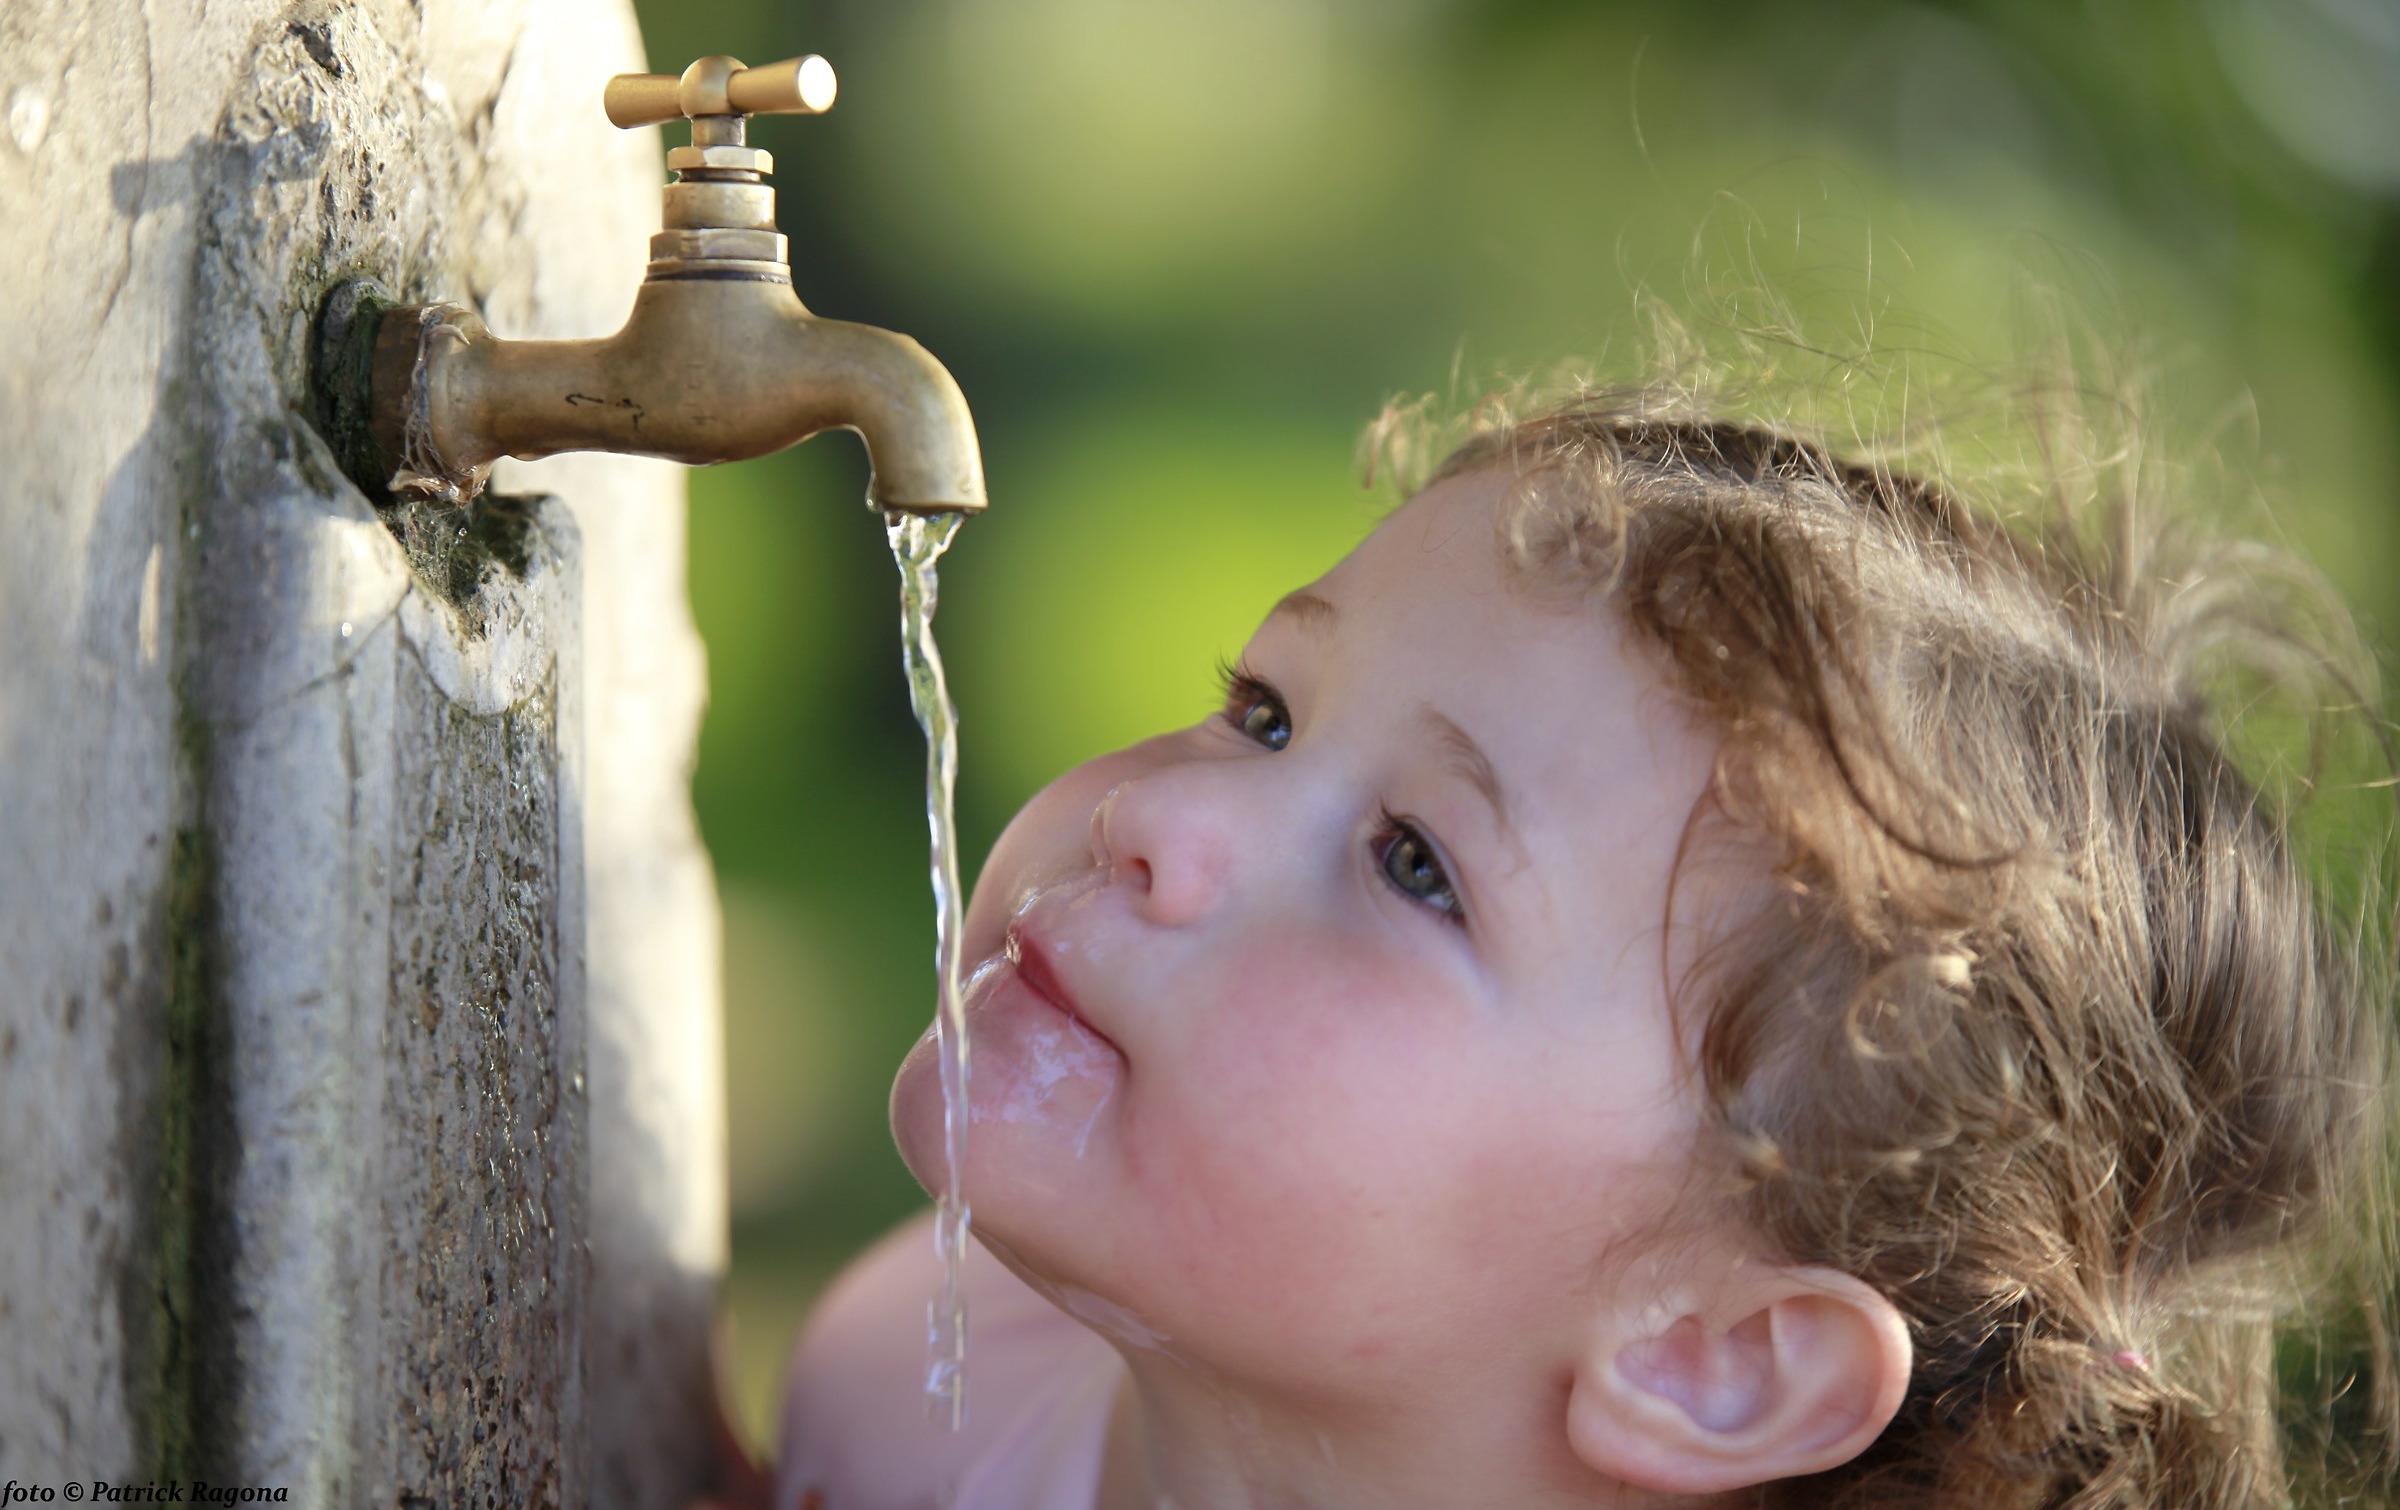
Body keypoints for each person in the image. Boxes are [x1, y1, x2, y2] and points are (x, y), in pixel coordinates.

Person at [767, 385, 2394, 1509]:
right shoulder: (914, 1380)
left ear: (1714, 1360)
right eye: (1263, 712)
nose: (1162, 824)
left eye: (1415, 865)